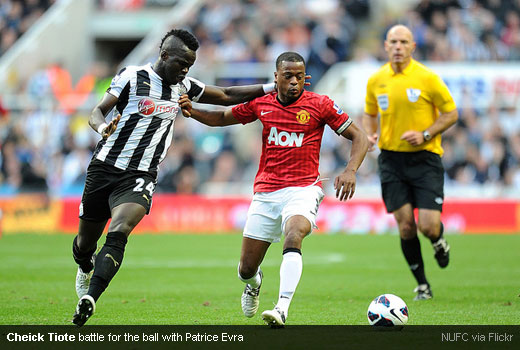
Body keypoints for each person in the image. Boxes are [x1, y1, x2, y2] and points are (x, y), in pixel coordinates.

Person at [71, 28, 285, 327]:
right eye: (181, 63)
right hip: (104, 168)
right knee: (84, 245)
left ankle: (90, 298)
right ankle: (84, 267)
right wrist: (102, 127)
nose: (186, 70)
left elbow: (224, 96)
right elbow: (97, 111)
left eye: (191, 65)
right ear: (164, 56)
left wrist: (270, 87)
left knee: (120, 229)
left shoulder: (183, 85)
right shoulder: (132, 77)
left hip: (140, 174)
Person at [183, 51, 368, 327]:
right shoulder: (261, 103)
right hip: (266, 192)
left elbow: (359, 136)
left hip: (304, 188)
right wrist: (192, 110)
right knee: (246, 269)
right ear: (276, 77)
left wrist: (351, 170)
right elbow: (222, 118)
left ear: (306, 78)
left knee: (294, 234)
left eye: (299, 77)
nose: (294, 82)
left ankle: (281, 308)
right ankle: (254, 284)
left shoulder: (320, 104)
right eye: (288, 76)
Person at [362, 24, 458, 300]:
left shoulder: (427, 78)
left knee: (427, 225)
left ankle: (438, 240)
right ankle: (423, 285)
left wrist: (426, 133)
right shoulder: (376, 79)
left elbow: (451, 113)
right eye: (393, 41)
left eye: (404, 42)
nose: (398, 47)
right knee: (405, 226)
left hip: (425, 159)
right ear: (385, 46)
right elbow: (369, 112)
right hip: (391, 159)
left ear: (413, 46)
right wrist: (371, 134)